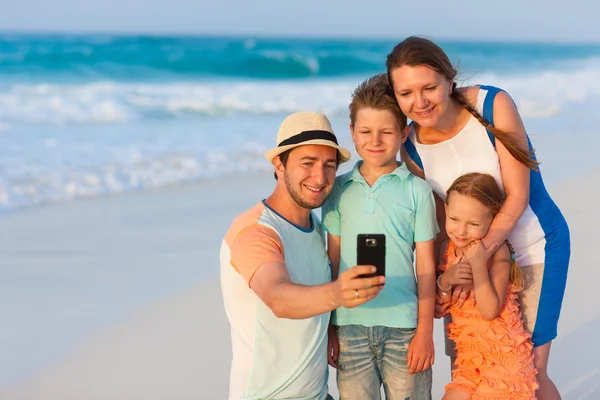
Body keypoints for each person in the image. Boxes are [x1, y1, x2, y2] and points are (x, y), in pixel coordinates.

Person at [385, 36, 570, 399]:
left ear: (449, 80)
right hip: (472, 264)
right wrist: (445, 280)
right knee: (470, 373)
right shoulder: (410, 147)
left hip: (535, 249)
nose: (419, 102)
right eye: (406, 93)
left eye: (429, 88)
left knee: (526, 372)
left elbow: (517, 197)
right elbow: (441, 226)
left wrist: (479, 255)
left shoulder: (491, 104)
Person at [220, 111, 385, 400]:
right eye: (307, 163)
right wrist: (339, 293)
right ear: (279, 165)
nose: (320, 177)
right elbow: (278, 297)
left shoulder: (317, 228)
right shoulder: (255, 231)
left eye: (329, 165)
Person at [322, 73, 438, 400]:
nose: (375, 140)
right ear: (352, 134)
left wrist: (425, 333)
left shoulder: (417, 190)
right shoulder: (338, 190)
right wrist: (331, 329)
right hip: (350, 327)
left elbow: (426, 267)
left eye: (386, 132)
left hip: (405, 327)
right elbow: (331, 262)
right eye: (365, 132)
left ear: (403, 133)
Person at [437, 172, 538, 399]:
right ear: (445, 209)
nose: (461, 231)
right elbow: (440, 306)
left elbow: (490, 310)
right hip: (469, 362)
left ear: (492, 219)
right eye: (454, 219)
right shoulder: (447, 249)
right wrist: (445, 280)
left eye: (472, 224)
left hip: (503, 365)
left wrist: (479, 264)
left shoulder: (498, 252)